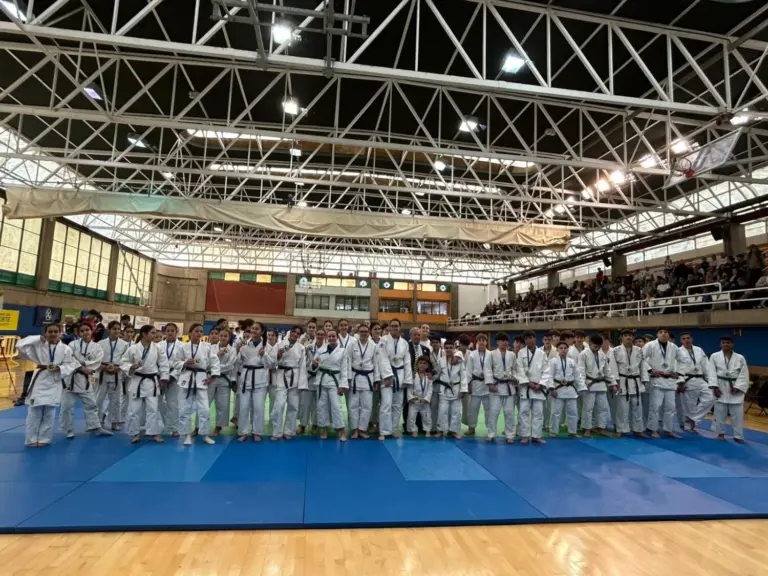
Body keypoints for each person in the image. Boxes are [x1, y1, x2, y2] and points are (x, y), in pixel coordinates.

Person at [17, 323, 78, 447]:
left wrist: (59, 368)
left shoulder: (66, 349)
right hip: (40, 379)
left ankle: (44, 438)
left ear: (60, 333)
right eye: (50, 331)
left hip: (54, 381)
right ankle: (31, 439)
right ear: (45, 333)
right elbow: (20, 345)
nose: (53, 334)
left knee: (50, 412)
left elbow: (71, 365)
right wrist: (37, 338)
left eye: (56, 331)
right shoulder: (39, 345)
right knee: (34, 412)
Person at [61, 322, 112, 439]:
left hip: (86, 379)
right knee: (67, 406)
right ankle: (68, 429)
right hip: (71, 379)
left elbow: (97, 361)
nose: (85, 333)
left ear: (91, 331)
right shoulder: (72, 345)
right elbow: (68, 359)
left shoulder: (97, 347)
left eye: (87, 330)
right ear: (78, 333)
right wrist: (81, 367)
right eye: (82, 331)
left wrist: (85, 364)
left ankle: (96, 427)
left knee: (91, 404)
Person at [121, 325, 169, 444]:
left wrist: (163, 378)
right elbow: (123, 362)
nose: (155, 336)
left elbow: (164, 363)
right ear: (144, 334)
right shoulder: (133, 348)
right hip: (137, 380)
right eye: (152, 333)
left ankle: (153, 433)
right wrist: (130, 367)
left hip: (152, 382)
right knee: (134, 409)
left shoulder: (157, 348)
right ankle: (135, 433)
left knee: (153, 409)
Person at [175, 323, 220, 445]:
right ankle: (186, 435)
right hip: (186, 379)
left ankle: (205, 434)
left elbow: (215, 362)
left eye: (201, 331)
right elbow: (175, 362)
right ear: (190, 333)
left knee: (204, 409)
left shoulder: (207, 347)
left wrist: (212, 377)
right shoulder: (182, 347)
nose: (199, 333)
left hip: (201, 378)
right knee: (185, 409)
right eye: (196, 331)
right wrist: (184, 363)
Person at [348, 323, 390, 439]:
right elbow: (348, 361)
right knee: (353, 406)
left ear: (368, 333)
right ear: (358, 333)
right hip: (355, 378)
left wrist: (376, 381)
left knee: (367, 406)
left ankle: (362, 429)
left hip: (368, 379)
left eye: (365, 332)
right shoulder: (352, 345)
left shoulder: (373, 346)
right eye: (361, 331)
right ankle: (354, 430)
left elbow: (376, 364)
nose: (364, 334)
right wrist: (347, 379)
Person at [708, 336, 749, 443]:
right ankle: (720, 434)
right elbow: (711, 371)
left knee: (738, 414)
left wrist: (738, 387)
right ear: (720, 344)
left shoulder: (740, 357)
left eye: (728, 342)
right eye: (723, 342)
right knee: (719, 412)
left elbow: (744, 373)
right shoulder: (714, 356)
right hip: (720, 386)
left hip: (735, 386)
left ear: (732, 344)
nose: (726, 344)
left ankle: (738, 436)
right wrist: (714, 386)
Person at [643, 328, 682, 439]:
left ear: (668, 335)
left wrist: (678, 373)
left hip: (670, 381)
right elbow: (641, 358)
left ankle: (668, 430)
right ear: (657, 334)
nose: (663, 334)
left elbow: (682, 361)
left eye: (665, 332)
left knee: (670, 407)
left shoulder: (674, 347)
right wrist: (651, 370)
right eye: (661, 332)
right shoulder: (650, 345)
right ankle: (653, 429)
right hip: (656, 379)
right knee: (655, 406)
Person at [312, 329, 348, 441]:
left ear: (337, 337)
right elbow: (314, 366)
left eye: (333, 336)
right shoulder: (321, 350)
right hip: (322, 380)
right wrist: (314, 365)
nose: (331, 338)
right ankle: (325, 429)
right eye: (330, 336)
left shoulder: (342, 351)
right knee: (322, 406)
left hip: (334, 381)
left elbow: (344, 369)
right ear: (327, 338)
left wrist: (343, 385)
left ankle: (342, 431)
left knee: (336, 406)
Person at [578, 335, 617, 438]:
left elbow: (607, 370)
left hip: (601, 384)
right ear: (590, 344)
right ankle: (587, 428)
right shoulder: (583, 354)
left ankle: (601, 428)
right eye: (595, 346)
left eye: (598, 346)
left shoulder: (602, 355)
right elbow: (581, 371)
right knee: (588, 408)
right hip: (589, 384)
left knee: (603, 407)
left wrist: (613, 383)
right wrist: (582, 385)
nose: (597, 348)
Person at [378, 319, 411, 440]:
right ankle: (383, 431)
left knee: (397, 405)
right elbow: (382, 359)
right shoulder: (383, 340)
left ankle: (393, 430)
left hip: (401, 376)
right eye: (392, 326)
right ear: (389, 328)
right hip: (388, 376)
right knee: (386, 404)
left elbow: (407, 361)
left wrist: (407, 379)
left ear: (400, 327)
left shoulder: (404, 343)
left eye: (396, 326)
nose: (394, 328)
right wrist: (387, 376)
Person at [611, 329, 648, 438]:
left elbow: (642, 365)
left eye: (630, 336)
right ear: (621, 338)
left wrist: (644, 379)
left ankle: (637, 429)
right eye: (625, 335)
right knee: (623, 408)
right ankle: (620, 429)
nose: (628, 337)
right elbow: (613, 367)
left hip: (636, 381)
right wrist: (614, 382)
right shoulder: (616, 350)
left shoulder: (639, 350)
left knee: (637, 407)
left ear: (633, 338)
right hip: (623, 381)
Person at [676, 332, 714, 433]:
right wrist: (680, 382)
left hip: (701, 379)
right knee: (689, 404)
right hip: (688, 380)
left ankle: (692, 418)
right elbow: (677, 367)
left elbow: (706, 365)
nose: (686, 340)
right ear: (681, 341)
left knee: (711, 397)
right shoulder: (678, 351)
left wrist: (711, 381)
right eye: (683, 339)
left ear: (692, 339)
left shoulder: (699, 350)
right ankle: (689, 426)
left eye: (688, 338)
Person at [237, 322, 269, 442]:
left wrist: (264, 354)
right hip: (246, 378)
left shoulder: (267, 346)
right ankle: (243, 432)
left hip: (260, 378)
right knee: (244, 407)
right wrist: (238, 350)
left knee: (258, 407)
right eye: (253, 328)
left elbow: (271, 364)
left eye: (257, 329)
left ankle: (257, 432)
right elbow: (238, 362)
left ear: (262, 332)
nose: (254, 330)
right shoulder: (244, 345)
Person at [517, 331, 551, 444]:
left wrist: (540, 384)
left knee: (538, 413)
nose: (529, 340)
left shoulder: (542, 354)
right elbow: (519, 370)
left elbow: (547, 370)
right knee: (524, 412)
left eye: (531, 338)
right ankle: (525, 435)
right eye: (526, 338)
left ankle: (536, 436)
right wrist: (528, 383)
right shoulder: (521, 353)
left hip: (538, 387)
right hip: (526, 387)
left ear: (535, 339)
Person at [271, 325, 304, 440]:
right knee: (279, 405)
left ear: (299, 336)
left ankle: (289, 431)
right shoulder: (279, 344)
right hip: (281, 375)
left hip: (295, 376)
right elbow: (272, 361)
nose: (295, 334)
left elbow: (302, 366)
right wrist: (278, 355)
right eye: (294, 332)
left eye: (298, 333)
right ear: (290, 332)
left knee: (293, 406)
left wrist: (301, 383)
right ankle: (276, 431)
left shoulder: (301, 347)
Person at [96, 320, 129, 431]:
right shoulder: (100, 343)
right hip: (103, 372)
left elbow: (126, 360)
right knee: (99, 399)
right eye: (114, 328)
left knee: (115, 399)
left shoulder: (124, 344)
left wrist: (118, 368)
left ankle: (114, 422)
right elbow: (96, 359)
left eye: (118, 329)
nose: (116, 331)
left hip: (116, 373)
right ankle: (98, 421)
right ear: (109, 329)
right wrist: (102, 367)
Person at [546, 341, 582, 438]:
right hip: (558, 389)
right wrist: (551, 388)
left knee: (573, 412)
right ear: (557, 350)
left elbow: (578, 376)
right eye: (561, 348)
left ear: (568, 349)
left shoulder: (572, 362)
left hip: (570, 389)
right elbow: (549, 376)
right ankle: (553, 431)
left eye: (565, 348)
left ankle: (573, 431)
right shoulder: (553, 361)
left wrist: (581, 387)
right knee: (555, 412)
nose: (563, 350)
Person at [489, 332, 519, 444]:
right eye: (502, 340)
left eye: (506, 340)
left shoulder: (512, 355)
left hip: (509, 386)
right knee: (494, 412)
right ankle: (491, 434)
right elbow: (488, 370)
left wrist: (515, 377)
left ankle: (510, 435)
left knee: (509, 412)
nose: (504, 342)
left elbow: (516, 369)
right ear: (497, 342)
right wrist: (490, 384)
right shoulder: (491, 354)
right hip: (496, 386)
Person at [435, 340, 467, 439]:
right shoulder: (440, 360)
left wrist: (463, 390)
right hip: (444, 389)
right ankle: (440, 430)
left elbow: (463, 376)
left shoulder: (459, 361)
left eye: (450, 347)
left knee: (456, 411)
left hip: (456, 389)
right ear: (444, 349)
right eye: (447, 348)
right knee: (442, 411)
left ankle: (454, 431)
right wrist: (431, 376)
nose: (448, 349)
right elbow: (438, 374)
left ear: (454, 348)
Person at [466, 333, 494, 439]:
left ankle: (490, 428)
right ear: (477, 342)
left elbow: (493, 369)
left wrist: (492, 383)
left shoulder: (490, 354)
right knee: (473, 408)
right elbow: (468, 370)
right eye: (480, 340)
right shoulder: (472, 354)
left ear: (486, 342)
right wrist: (468, 384)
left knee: (489, 408)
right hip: (476, 384)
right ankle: (471, 427)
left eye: (484, 340)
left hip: (487, 384)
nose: (482, 341)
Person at [210, 326, 236, 436]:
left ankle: (218, 427)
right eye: (221, 335)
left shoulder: (233, 350)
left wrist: (215, 367)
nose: (223, 337)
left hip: (224, 380)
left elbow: (230, 366)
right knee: (204, 403)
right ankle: (198, 426)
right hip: (211, 379)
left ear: (229, 338)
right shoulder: (211, 348)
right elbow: (207, 362)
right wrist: (217, 355)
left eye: (226, 336)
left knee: (223, 405)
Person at [299, 327, 325, 435]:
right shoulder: (307, 348)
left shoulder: (326, 349)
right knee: (305, 403)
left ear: (324, 336)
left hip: (320, 378)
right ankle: (303, 425)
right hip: (308, 377)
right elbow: (301, 361)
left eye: (321, 334)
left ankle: (315, 424)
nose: (319, 336)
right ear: (315, 334)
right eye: (318, 334)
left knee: (317, 404)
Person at [406, 327, 431, 432]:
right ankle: (409, 428)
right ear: (410, 336)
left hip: (423, 377)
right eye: (414, 335)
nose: (417, 336)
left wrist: (429, 373)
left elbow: (428, 363)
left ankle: (421, 426)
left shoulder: (426, 349)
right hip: (410, 377)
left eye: (418, 335)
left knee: (423, 405)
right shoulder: (406, 347)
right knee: (409, 405)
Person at [158, 323, 181, 437]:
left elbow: (182, 363)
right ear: (165, 332)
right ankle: (165, 423)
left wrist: (171, 376)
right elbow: (155, 361)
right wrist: (162, 377)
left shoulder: (182, 346)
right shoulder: (158, 345)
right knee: (158, 402)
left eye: (173, 330)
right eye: (168, 330)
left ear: (176, 332)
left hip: (174, 376)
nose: (170, 332)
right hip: (160, 376)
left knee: (173, 403)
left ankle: (174, 428)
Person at [407, 355, 433, 437]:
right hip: (414, 401)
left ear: (427, 366)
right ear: (417, 364)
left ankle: (427, 430)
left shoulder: (429, 376)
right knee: (411, 417)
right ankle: (414, 430)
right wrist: (411, 397)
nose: (422, 365)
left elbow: (430, 389)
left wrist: (426, 399)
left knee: (427, 417)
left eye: (424, 363)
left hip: (424, 401)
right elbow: (409, 388)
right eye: (420, 363)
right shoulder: (413, 375)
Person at [428, 333, 443, 433]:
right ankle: (433, 427)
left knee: (443, 407)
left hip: (444, 382)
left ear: (440, 343)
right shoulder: (429, 354)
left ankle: (442, 427)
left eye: (436, 342)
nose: (435, 344)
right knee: (433, 406)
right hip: (433, 383)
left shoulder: (445, 352)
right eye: (433, 342)